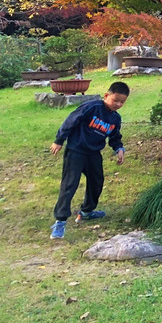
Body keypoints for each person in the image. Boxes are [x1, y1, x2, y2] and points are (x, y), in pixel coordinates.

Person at [49, 82, 128, 239]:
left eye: (122, 102)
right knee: (69, 184)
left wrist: (119, 149)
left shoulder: (115, 118)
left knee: (96, 182)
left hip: (93, 154)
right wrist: (59, 140)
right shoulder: (91, 107)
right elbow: (71, 121)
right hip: (76, 151)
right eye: (115, 100)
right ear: (106, 95)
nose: (118, 104)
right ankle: (60, 221)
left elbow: (114, 136)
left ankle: (86, 212)